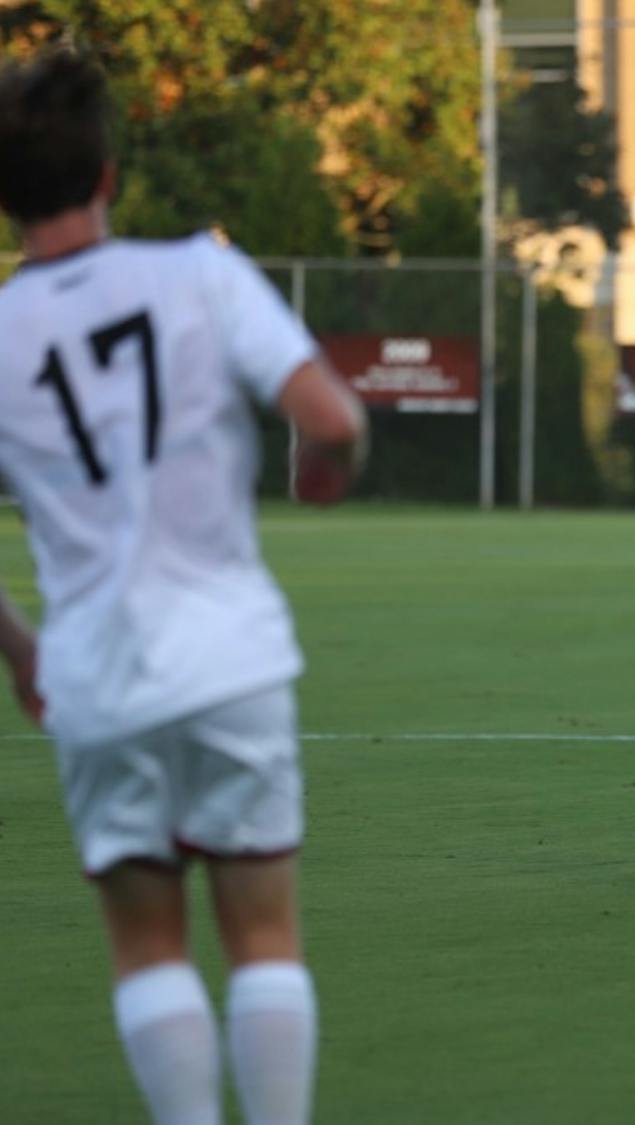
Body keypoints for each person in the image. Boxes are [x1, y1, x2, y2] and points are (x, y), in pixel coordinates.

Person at [0, 49, 367, 1123]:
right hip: (230, 655)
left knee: (146, 943)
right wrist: (322, 468)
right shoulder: (199, 274)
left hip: (95, 675)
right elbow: (335, 421)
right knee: (262, 934)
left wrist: (22, 652)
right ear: (109, 173)